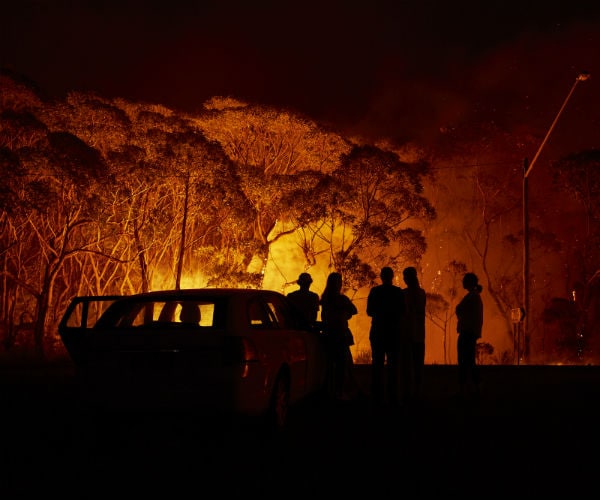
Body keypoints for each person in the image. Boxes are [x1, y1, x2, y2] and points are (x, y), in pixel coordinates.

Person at [366, 266, 409, 407]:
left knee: (377, 364)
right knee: (393, 365)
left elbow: (369, 311)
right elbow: (403, 311)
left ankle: (377, 396)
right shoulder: (398, 292)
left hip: (378, 331)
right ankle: (393, 396)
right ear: (392, 276)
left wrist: (380, 313)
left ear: (381, 276)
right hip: (393, 333)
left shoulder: (375, 291)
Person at [320, 271, 358, 400]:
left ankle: (330, 391)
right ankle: (340, 391)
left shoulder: (324, 299)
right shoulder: (342, 299)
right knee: (343, 364)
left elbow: (325, 317)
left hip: (328, 335)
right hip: (340, 335)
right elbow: (354, 310)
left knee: (330, 364)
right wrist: (345, 314)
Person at [455, 272, 484, 399]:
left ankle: (465, 390)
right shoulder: (474, 296)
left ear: (469, 282)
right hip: (469, 332)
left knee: (464, 361)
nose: (462, 282)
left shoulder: (472, 297)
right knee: (469, 361)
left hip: (467, 332)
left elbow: (461, 310)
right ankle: (473, 389)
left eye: (464, 280)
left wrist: (459, 310)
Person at [402, 266, 426, 400]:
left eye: (405, 277)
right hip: (418, 335)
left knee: (407, 364)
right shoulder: (421, 293)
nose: (404, 279)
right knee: (418, 364)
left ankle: (409, 391)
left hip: (407, 335)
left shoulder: (404, 294)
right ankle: (417, 391)